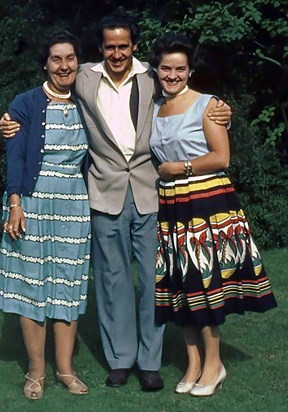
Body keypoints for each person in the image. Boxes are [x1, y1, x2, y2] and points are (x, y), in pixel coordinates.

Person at [0, 12, 232, 391]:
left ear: (134, 46)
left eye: (124, 46)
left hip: (149, 190)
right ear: (101, 48)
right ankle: (121, 359)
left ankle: (150, 362)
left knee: (153, 280)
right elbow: (38, 103)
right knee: (112, 280)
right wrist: (10, 121)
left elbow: (186, 103)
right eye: (110, 46)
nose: (117, 52)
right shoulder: (84, 76)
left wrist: (222, 112)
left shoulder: (154, 78)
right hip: (103, 192)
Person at [149, 33, 277, 397]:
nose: (172, 75)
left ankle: (214, 364)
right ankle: (192, 363)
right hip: (172, 206)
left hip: (207, 202)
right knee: (181, 285)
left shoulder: (207, 104)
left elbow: (221, 157)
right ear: (156, 69)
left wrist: (180, 167)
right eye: (165, 68)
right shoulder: (156, 106)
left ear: (190, 70)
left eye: (180, 69)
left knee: (205, 283)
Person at [0, 31, 91, 400]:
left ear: (78, 63)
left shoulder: (87, 103)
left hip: (73, 203)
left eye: (70, 58)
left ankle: (65, 369)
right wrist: (15, 203)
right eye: (56, 59)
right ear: (46, 64)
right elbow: (15, 156)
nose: (64, 65)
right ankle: (36, 371)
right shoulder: (25, 103)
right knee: (31, 285)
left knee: (66, 285)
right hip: (31, 202)